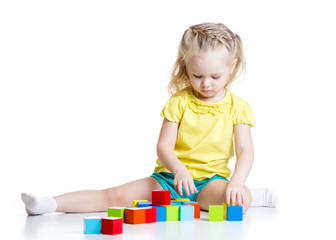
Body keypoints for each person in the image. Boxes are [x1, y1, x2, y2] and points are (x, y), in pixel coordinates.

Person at [21, 22, 278, 216]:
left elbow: (245, 151)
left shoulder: (238, 107)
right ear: (186, 67)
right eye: (197, 75)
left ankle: (253, 195)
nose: (206, 84)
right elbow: (164, 146)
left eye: (215, 76)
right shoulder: (179, 102)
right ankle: (48, 204)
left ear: (232, 67)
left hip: (211, 182)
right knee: (115, 195)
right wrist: (179, 170)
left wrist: (236, 182)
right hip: (169, 178)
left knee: (238, 203)